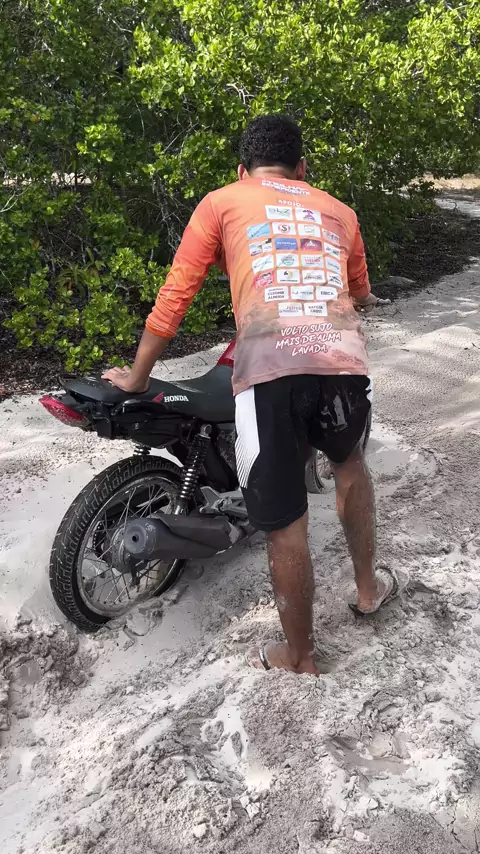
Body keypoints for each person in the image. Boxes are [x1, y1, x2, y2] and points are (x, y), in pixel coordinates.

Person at [103, 115, 397, 676]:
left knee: (286, 522)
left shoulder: (222, 202)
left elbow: (176, 295)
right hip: (342, 364)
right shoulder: (340, 211)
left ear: (242, 170)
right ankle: (368, 590)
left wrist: (138, 377)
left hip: (269, 371)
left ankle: (300, 656)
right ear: (302, 168)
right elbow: (360, 291)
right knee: (351, 466)